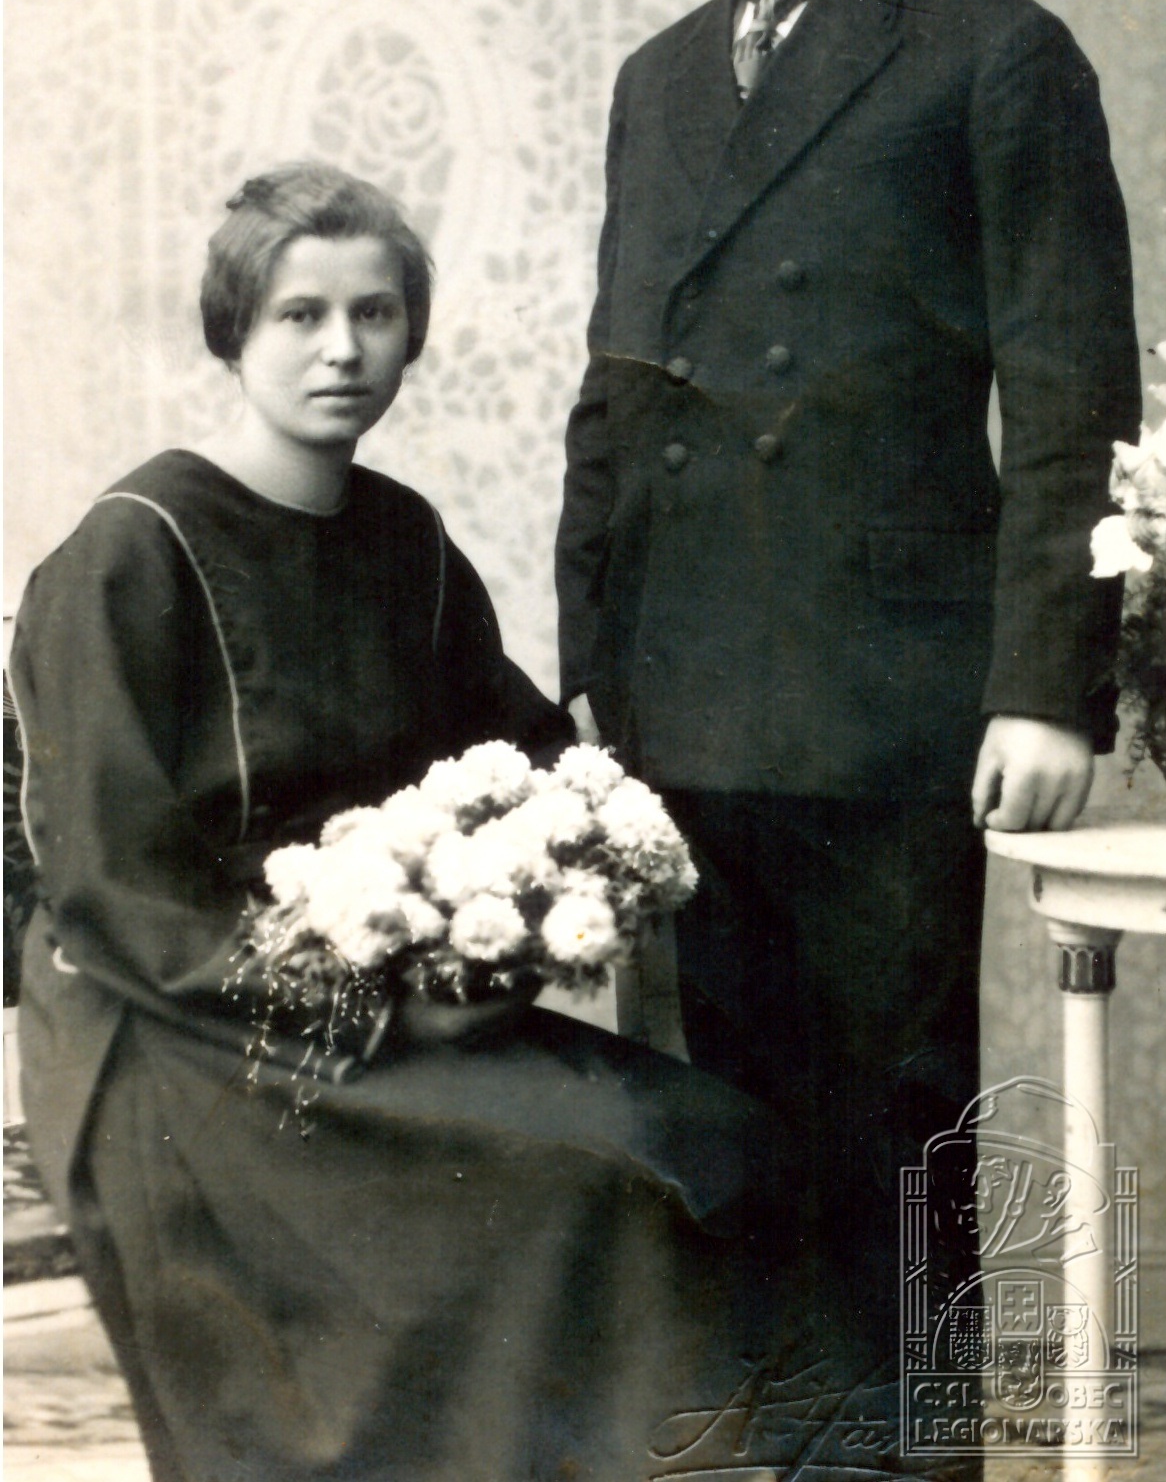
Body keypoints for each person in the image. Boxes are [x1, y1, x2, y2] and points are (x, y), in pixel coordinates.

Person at [14, 162, 900, 1482]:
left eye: (373, 313)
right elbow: (114, 888)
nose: (342, 348)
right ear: (233, 331)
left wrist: (580, 858)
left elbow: (521, 752)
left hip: (392, 999)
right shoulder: (134, 549)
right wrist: (372, 1009)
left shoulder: (403, 537)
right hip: (187, 1031)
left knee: (715, 1138)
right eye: (300, 314)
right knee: (598, 1180)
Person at [555, 0, 1143, 1362]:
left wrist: (1047, 682)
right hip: (682, 688)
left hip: (886, 688)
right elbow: (616, 391)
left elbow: (1070, 395)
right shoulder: (658, 80)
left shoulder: (990, 50)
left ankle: (904, 1469)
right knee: (722, 1129)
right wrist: (591, 665)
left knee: (894, 1135)